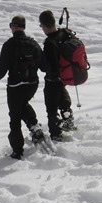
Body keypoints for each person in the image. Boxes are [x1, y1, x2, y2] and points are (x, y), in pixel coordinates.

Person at [0, 15, 45, 160]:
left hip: (15, 87)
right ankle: (34, 127)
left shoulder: (9, 45)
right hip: (32, 85)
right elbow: (44, 66)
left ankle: (17, 150)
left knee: (15, 117)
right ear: (24, 27)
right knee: (23, 105)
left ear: (13, 27)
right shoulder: (34, 44)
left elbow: (0, 72)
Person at [38, 10, 74, 141]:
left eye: (41, 25)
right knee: (64, 102)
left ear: (44, 25)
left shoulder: (49, 43)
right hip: (64, 77)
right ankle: (69, 124)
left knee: (52, 108)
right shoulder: (64, 33)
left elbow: (47, 67)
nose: (41, 28)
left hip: (53, 79)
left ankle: (56, 134)